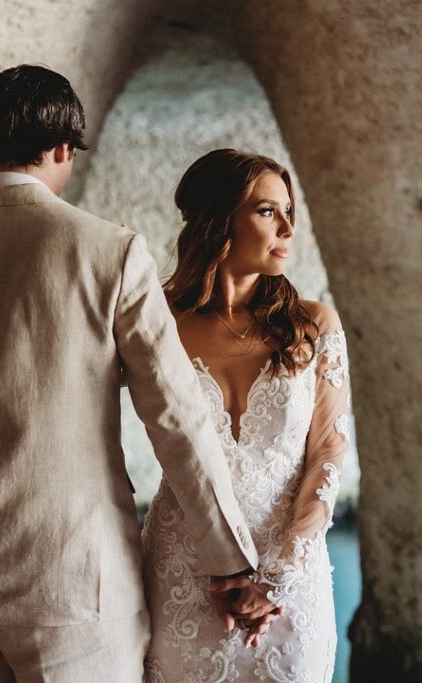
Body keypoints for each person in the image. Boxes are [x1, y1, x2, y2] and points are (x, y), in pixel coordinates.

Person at [0, 65, 259, 682]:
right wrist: (227, 560)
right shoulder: (108, 251)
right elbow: (174, 413)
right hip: (75, 581)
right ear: (63, 147)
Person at [142, 149, 352, 682]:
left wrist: (279, 577)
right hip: (184, 574)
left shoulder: (313, 324)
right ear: (219, 222)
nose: (287, 227)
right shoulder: (157, 322)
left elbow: (328, 451)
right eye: (266, 212)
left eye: (287, 211)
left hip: (291, 578)